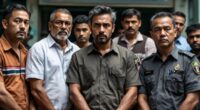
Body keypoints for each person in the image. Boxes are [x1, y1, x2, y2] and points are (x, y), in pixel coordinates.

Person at [67, 5, 141, 110]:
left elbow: (132, 92)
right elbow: (74, 92)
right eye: (97, 25)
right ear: (91, 27)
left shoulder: (127, 56)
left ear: (113, 28)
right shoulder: (78, 57)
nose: (101, 30)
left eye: (106, 25)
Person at [138, 12, 200, 110]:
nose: (162, 34)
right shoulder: (146, 63)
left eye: (167, 29)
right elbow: (142, 97)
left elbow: (193, 97)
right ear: (152, 34)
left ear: (175, 32)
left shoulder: (189, 60)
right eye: (157, 30)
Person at [26, 8, 79, 110]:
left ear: (71, 27)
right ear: (50, 26)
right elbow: (36, 89)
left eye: (67, 23)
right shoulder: (39, 49)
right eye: (59, 23)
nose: (63, 27)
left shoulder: (77, 51)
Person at [0, 3, 33, 110]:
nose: (23, 26)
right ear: (5, 24)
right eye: (17, 21)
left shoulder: (26, 52)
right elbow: (1, 94)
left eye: (26, 22)